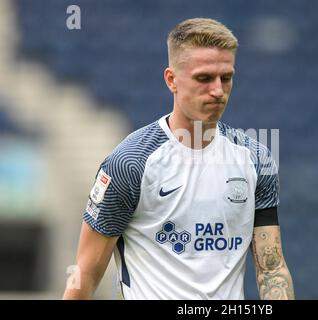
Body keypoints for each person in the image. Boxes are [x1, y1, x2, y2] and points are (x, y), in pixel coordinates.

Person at [63, 17, 295, 300]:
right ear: (172, 80)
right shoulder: (130, 164)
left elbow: (271, 270)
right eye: (204, 78)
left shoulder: (257, 160)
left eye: (227, 77)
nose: (218, 91)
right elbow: (85, 273)